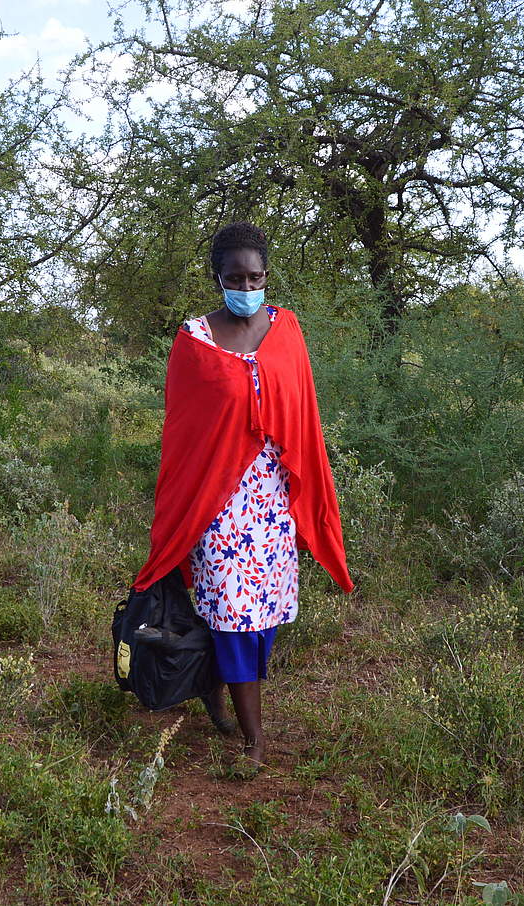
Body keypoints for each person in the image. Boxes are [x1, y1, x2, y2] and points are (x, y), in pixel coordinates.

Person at [132, 222, 354, 773]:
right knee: (233, 614)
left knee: (267, 615)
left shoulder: (286, 329)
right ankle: (254, 740)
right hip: (219, 501)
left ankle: (216, 686)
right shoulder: (194, 340)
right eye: (235, 277)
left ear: (265, 276)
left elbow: (302, 413)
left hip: (274, 499)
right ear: (218, 278)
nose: (247, 285)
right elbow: (183, 432)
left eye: (255, 276)